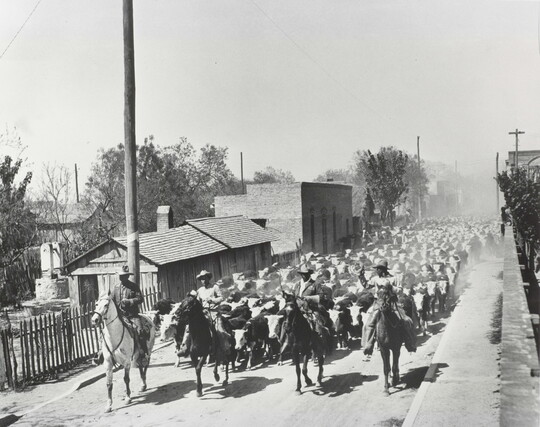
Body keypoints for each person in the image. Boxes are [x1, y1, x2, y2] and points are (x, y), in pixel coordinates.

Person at [94, 265, 148, 365]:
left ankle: (142, 353)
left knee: (140, 331)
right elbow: (111, 300)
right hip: (119, 315)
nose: (121, 278)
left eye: (123, 276)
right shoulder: (116, 287)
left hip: (132, 315)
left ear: (127, 276)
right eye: (120, 276)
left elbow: (140, 299)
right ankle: (101, 353)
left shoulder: (134, 287)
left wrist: (130, 301)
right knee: (105, 332)